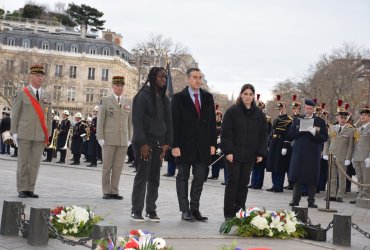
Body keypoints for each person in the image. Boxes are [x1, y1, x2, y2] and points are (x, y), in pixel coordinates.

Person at [171, 67, 217, 222]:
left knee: (200, 177)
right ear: (187, 79)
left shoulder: (208, 97)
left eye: (200, 77)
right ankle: (185, 210)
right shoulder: (178, 98)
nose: (198, 80)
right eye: (195, 77)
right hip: (184, 146)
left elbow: (211, 122)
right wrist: (175, 145)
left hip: (203, 146)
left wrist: (212, 143)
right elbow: (174, 123)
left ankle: (194, 208)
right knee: (182, 177)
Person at [131, 67, 172, 222]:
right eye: (161, 77)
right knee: (142, 176)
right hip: (144, 144)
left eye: (165, 78)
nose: (163, 80)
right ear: (153, 77)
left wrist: (168, 142)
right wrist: (142, 143)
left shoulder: (164, 99)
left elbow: (169, 122)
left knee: (155, 178)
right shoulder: (142, 96)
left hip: (159, 144)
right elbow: (137, 121)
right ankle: (136, 210)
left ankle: (151, 210)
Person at [221, 84, 268, 220]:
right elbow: (226, 133)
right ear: (241, 95)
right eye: (245, 94)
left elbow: (263, 135)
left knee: (243, 183)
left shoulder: (259, 115)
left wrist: (261, 153)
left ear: (254, 96)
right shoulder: (232, 112)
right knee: (233, 183)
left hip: (250, 155)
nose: (248, 96)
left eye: (250, 94)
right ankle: (229, 214)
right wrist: (228, 151)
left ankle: (240, 212)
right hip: (233, 155)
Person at [11, 64, 52, 198]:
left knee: (35, 163)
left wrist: (48, 133)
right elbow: (15, 114)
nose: (40, 78)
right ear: (31, 77)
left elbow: (49, 117)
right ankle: (22, 188)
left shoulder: (46, 95)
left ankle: (30, 188)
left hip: (40, 134)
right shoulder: (22, 93)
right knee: (23, 162)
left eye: (42, 76)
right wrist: (14, 132)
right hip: (24, 133)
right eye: (38, 76)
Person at [288, 99, 328, 208]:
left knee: (312, 177)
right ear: (304, 108)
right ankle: (295, 200)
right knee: (297, 176)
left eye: (311, 108)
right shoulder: (298, 120)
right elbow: (290, 134)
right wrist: (300, 130)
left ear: (314, 109)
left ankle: (311, 201)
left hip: (313, 153)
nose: (308, 110)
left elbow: (324, 137)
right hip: (299, 152)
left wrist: (314, 132)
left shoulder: (320, 121)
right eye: (307, 108)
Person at [97, 76, 132, 200]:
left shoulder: (128, 102)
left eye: (122, 85)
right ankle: (106, 191)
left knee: (118, 167)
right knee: (107, 166)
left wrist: (130, 138)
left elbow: (130, 122)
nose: (120, 87)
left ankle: (114, 191)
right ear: (113, 86)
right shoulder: (106, 100)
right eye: (117, 85)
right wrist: (100, 137)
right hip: (108, 138)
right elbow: (100, 120)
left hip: (123, 139)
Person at [322, 101, 354, 203]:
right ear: (337, 118)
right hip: (331, 155)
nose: (343, 120)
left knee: (341, 178)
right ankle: (331, 194)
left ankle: (339, 195)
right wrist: (325, 153)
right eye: (341, 117)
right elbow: (327, 141)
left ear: (347, 119)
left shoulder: (350, 130)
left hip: (342, 157)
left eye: (345, 118)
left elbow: (350, 146)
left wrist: (348, 158)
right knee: (331, 176)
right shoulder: (332, 128)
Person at [266, 95, 293, 193]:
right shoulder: (276, 119)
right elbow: (272, 132)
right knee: (273, 165)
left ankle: (279, 186)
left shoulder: (289, 120)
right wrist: (269, 143)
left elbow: (288, 135)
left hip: (281, 144)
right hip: (274, 143)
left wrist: (285, 146)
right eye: (279, 109)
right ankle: (274, 184)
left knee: (280, 165)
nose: (280, 110)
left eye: (281, 108)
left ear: (285, 109)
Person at [248, 94, 271, 190]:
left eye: (260, 108)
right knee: (254, 165)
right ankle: (253, 182)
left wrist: (265, 144)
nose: (259, 110)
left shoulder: (267, 119)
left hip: (262, 144)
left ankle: (258, 184)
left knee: (260, 165)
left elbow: (269, 133)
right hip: (254, 144)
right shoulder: (253, 117)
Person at [350, 106, 370, 204]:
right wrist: (353, 156)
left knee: (366, 178)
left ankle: (366, 197)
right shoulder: (358, 129)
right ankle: (360, 195)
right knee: (359, 178)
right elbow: (355, 144)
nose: (362, 117)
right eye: (361, 115)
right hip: (357, 156)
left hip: (366, 157)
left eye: (365, 115)